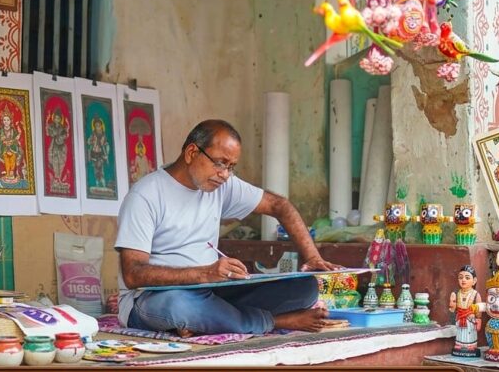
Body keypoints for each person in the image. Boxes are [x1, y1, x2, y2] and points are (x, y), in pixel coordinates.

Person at [114, 119, 338, 335]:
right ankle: (274, 321)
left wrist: (312, 257)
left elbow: (280, 206)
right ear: (191, 153)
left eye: (231, 167)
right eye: (220, 163)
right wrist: (204, 273)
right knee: (179, 305)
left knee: (305, 287)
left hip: (212, 291)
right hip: (152, 299)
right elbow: (133, 275)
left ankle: (206, 322)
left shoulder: (220, 186)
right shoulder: (145, 195)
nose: (225, 174)